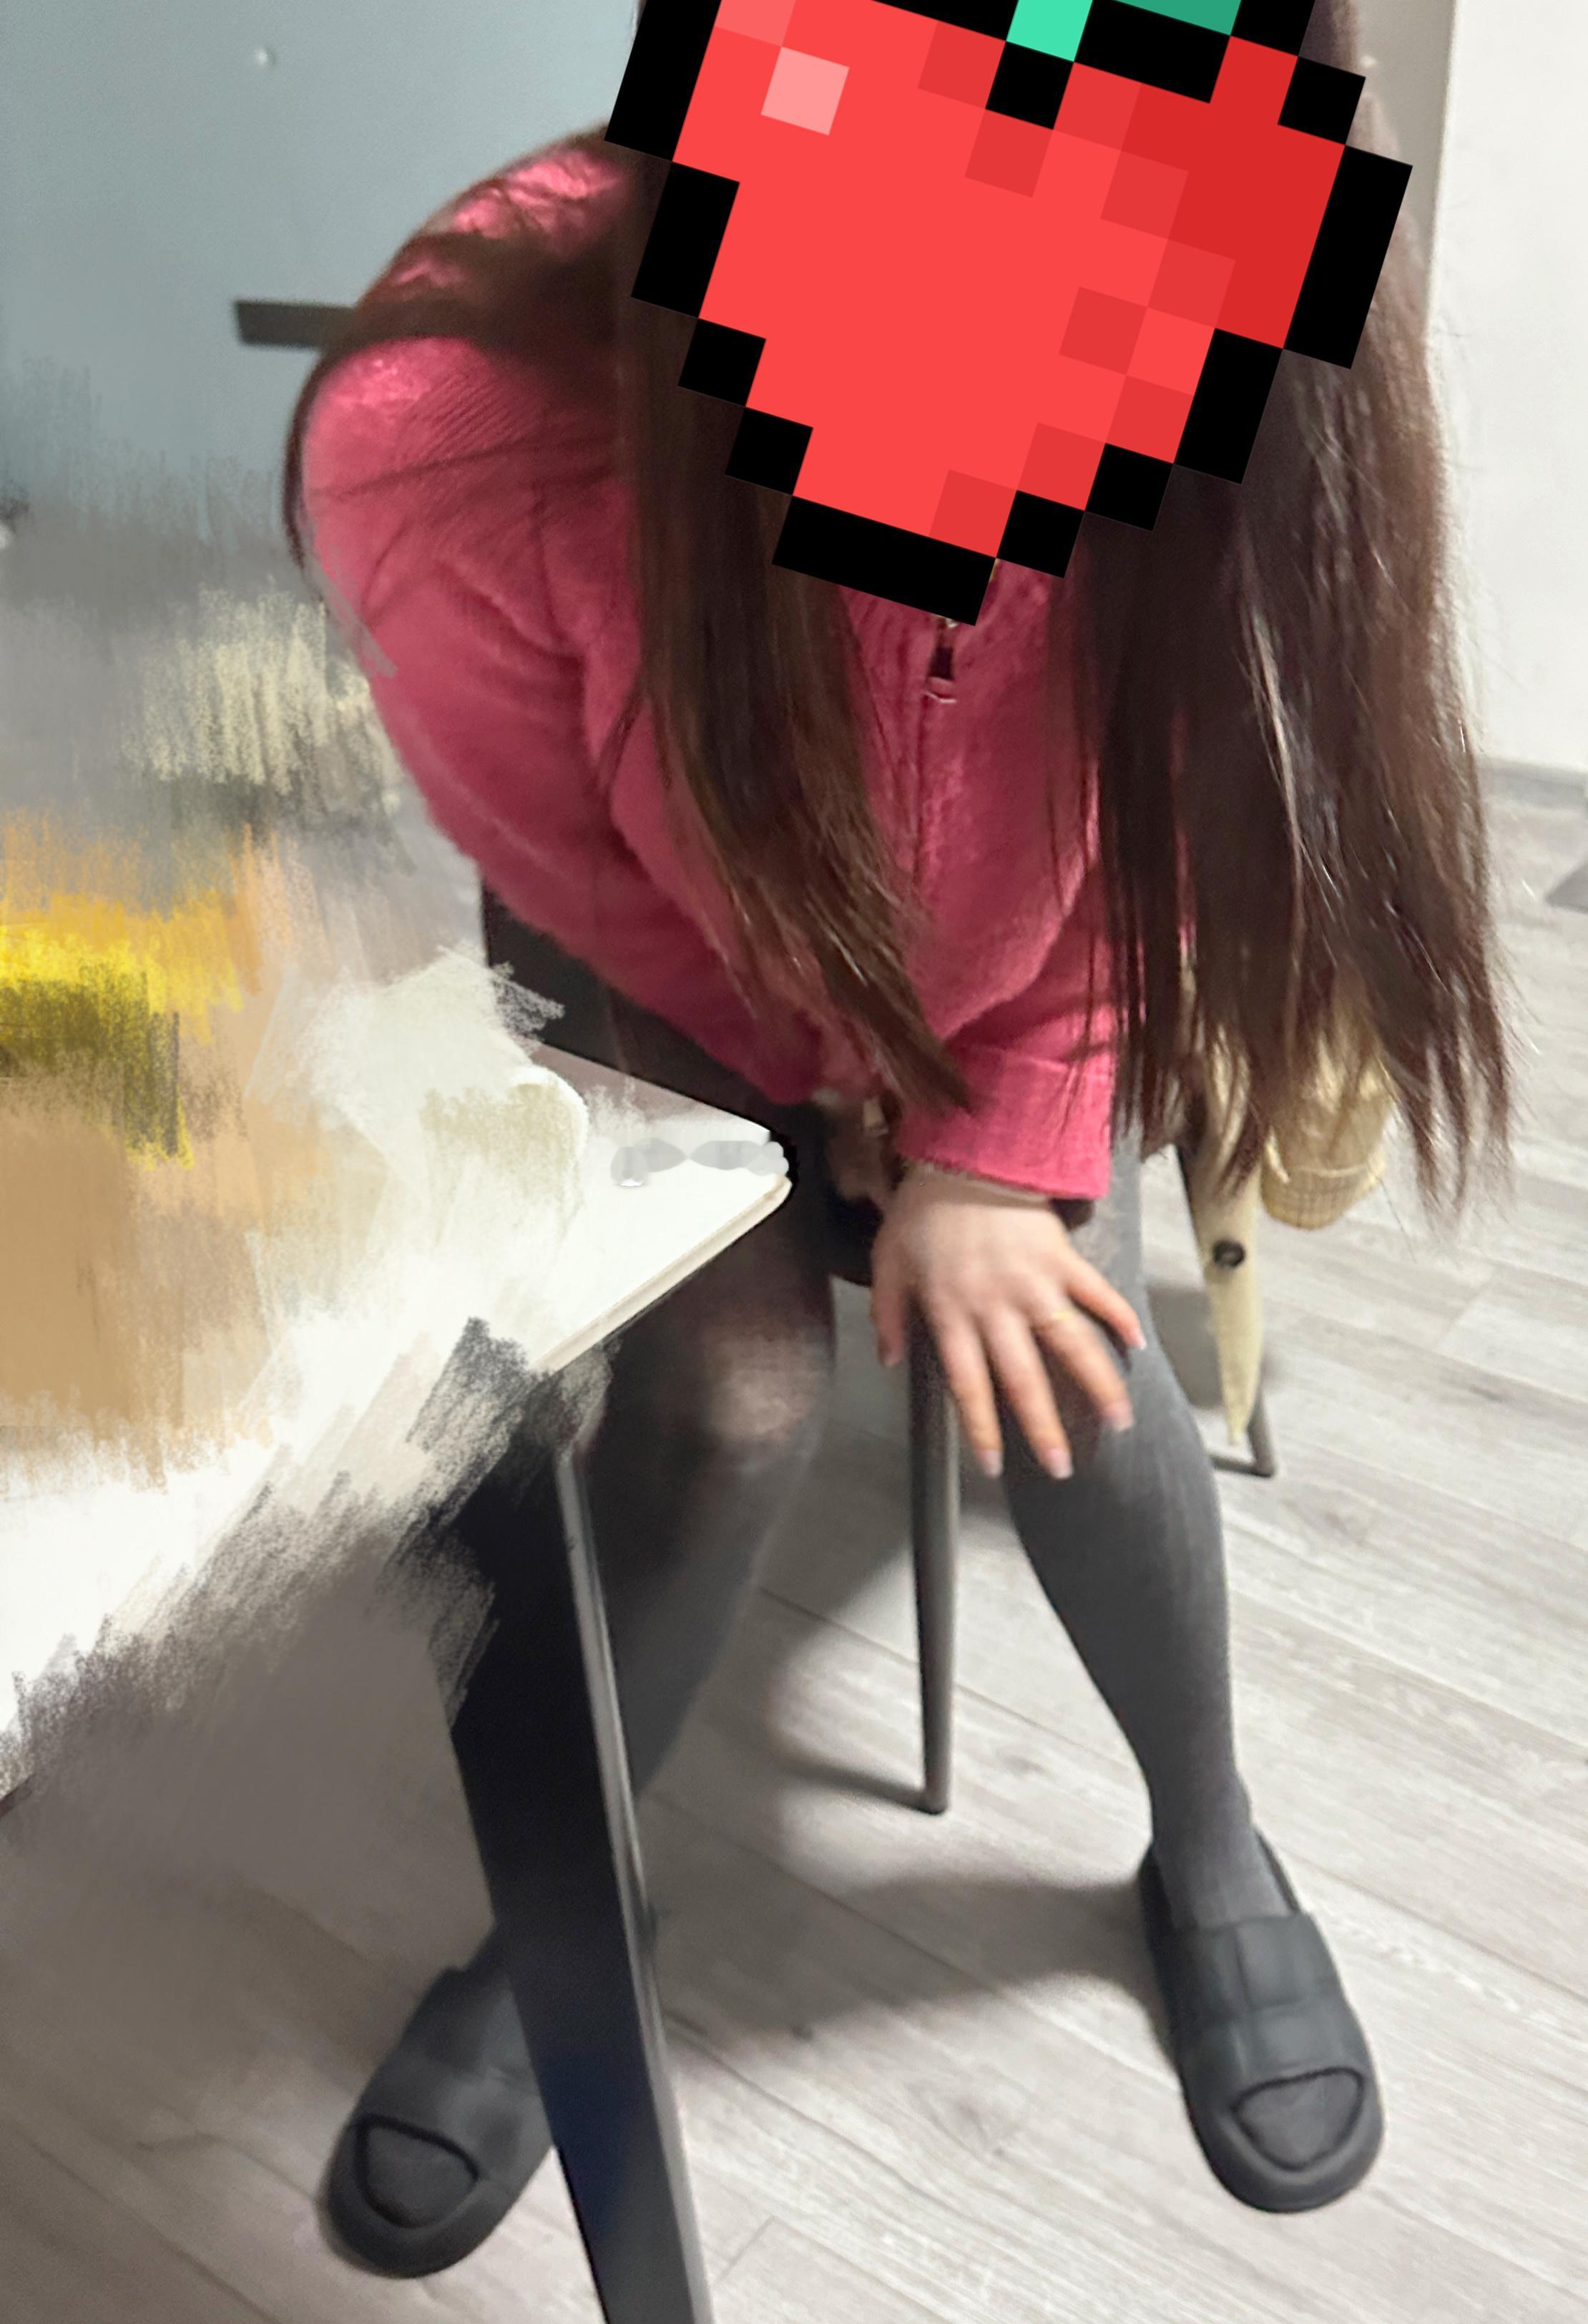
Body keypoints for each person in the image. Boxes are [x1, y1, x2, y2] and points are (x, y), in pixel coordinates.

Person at [285, 0, 1511, 2275]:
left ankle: (1209, 1842)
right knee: (726, 1403)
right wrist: (837, 1087)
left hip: (1040, 977)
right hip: (674, 971)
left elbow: (1186, 806)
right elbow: (569, 867)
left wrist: (982, 1139)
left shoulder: (1246, 314)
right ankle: (560, 1922)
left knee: (1066, 1367)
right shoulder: (451, 416)